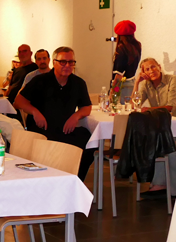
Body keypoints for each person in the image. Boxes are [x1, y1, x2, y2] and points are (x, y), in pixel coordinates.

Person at [13, 46, 95, 180]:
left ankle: (75, 180)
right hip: (42, 129)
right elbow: (18, 102)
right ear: (54, 62)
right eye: (63, 62)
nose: (67, 66)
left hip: (64, 129)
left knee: (89, 142)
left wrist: (76, 116)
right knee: (50, 144)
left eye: (71, 62)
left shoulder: (78, 83)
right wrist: (35, 112)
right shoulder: (40, 80)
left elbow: (87, 107)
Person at [133, 57, 176, 195]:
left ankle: (167, 186)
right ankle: (159, 184)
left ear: (159, 67)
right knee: (147, 142)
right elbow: (134, 105)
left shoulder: (171, 79)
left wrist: (148, 110)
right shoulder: (146, 84)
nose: (151, 70)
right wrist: (137, 82)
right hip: (158, 126)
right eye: (147, 69)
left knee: (160, 144)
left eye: (153, 67)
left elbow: (170, 107)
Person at [111, 20, 142, 85]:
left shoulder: (121, 49)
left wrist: (113, 90)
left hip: (121, 85)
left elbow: (118, 75)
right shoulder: (137, 45)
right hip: (131, 81)